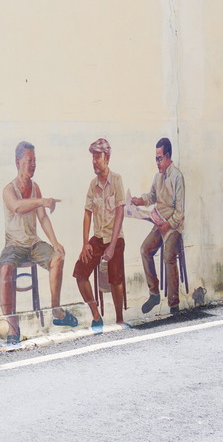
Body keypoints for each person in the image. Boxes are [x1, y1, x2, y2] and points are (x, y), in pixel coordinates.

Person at [0, 141, 77, 344]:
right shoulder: (9, 190)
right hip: (14, 246)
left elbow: (42, 217)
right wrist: (42, 201)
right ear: (18, 162)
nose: (33, 164)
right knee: (5, 269)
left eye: (35, 160)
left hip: (33, 244)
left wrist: (55, 242)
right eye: (29, 160)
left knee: (58, 257)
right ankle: (12, 325)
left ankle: (56, 310)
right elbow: (17, 207)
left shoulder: (35, 188)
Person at [73, 138, 127, 333]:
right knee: (79, 273)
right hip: (98, 238)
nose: (94, 161)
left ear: (107, 158)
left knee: (116, 277)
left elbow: (120, 213)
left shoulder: (117, 180)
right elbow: (87, 213)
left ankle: (119, 319)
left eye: (98, 157)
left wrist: (112, 246)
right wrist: (85, 243)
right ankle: (96, 315)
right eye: (93, 157)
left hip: (115, 238)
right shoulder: (92, 185)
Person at [131, 137, 185, 315]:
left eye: (159, 158)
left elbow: (180, 212)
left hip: (173, 227)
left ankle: (174, 304)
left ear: (168, 156)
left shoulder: (177, 177)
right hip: (159, 222)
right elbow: (152, 196)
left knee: (168, 257)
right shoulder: (158, 177)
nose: (157, 162)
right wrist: (139, 201)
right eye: (156, 159)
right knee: (145, 249)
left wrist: (168, 225)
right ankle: (154, 293)